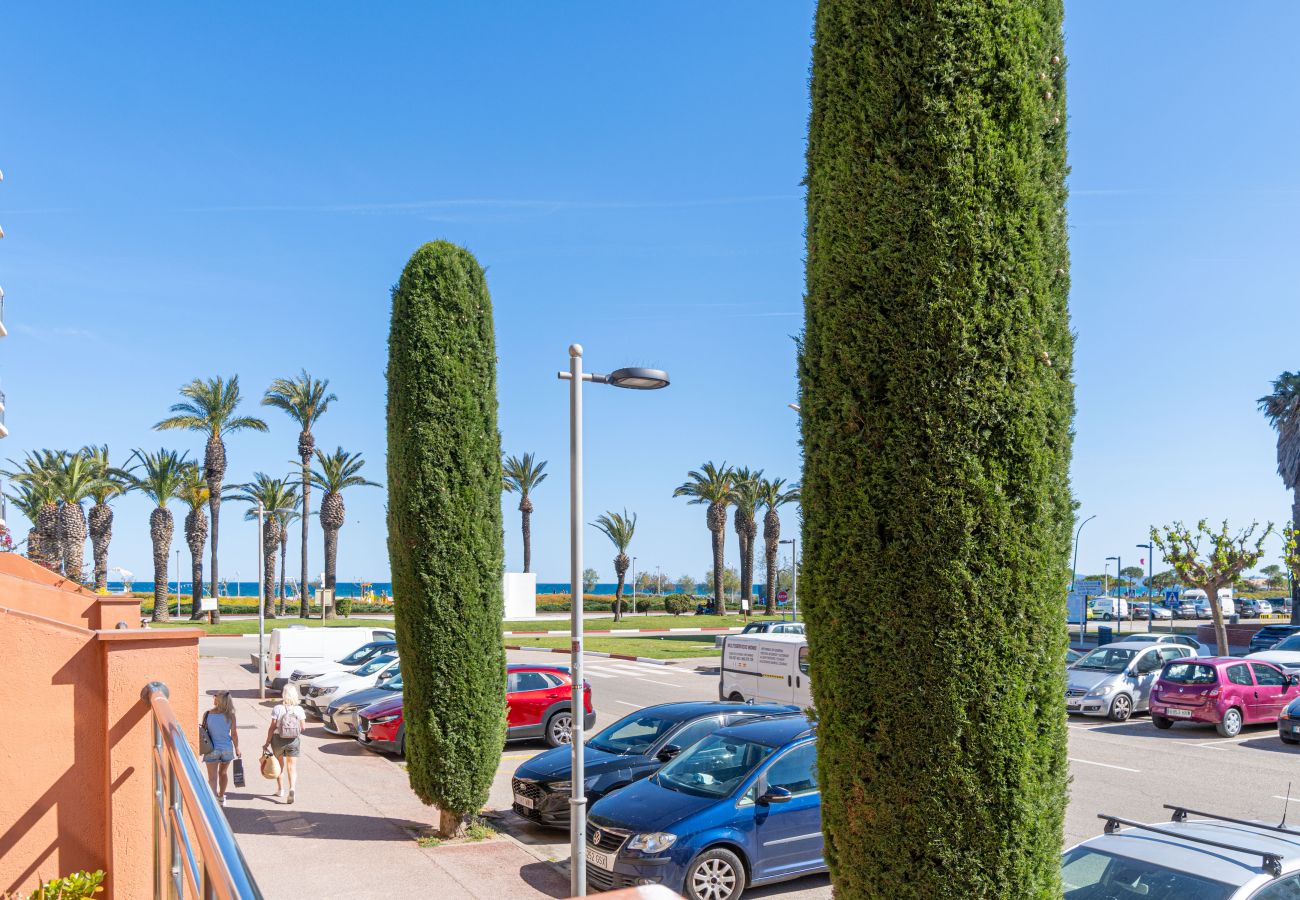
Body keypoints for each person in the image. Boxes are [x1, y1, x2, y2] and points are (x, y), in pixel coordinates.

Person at [264, 683, 307, 803]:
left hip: (278, 739)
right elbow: (303, 727)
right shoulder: (299, 709)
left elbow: (272, 727)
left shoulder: (278, 708)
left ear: (284, 694)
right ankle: (292, 789)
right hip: (293, 740)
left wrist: (267, 742)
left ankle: (280, 789)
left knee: (279, 765)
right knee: (292, 767)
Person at [202, 691, 240, 806]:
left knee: (212, 778)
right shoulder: (231, 716)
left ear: (218, 700)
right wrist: (237, 748)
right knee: (223, 773)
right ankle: (221, 797)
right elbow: (234, 734)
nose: (213, 698)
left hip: (211, 749)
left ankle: (213, 802)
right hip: (226, 749)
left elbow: (204, 732)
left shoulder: (207, 714)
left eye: (215, 697)